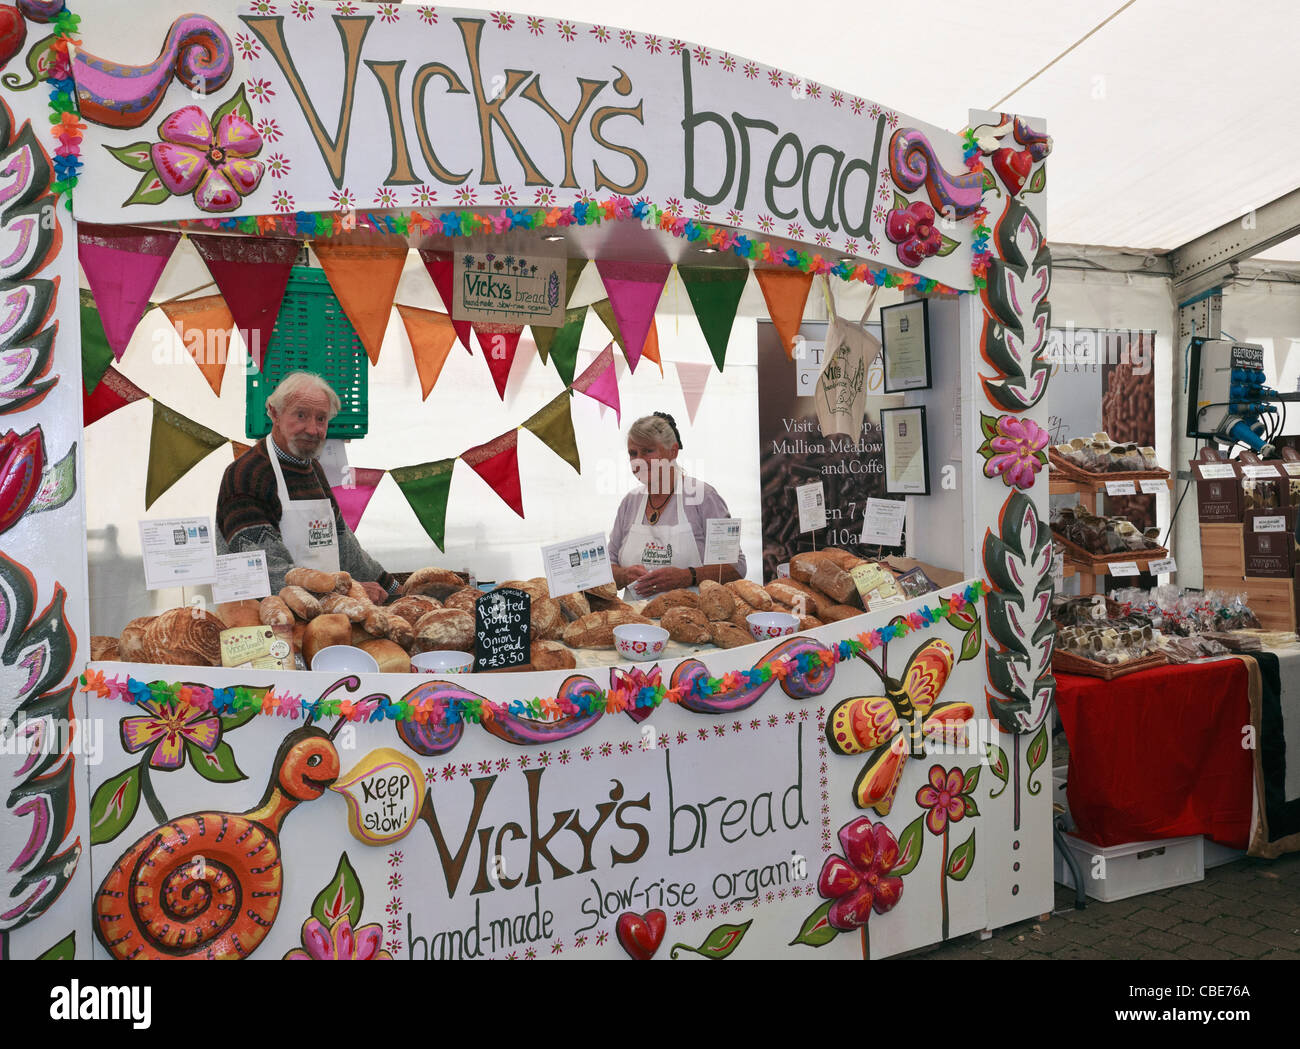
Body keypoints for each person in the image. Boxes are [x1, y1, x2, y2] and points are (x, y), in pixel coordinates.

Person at [216, 371, 399, 602]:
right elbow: (265, 572)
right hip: (267, 621)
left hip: (326, 613)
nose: (313, 430)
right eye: (301, 415)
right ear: (275, 413)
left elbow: (343, 545)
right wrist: (349, 592)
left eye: (321, 419)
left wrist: (393, 588)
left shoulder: (312, 467)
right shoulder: (248, 474)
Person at [610, 412, 746, 596]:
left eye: (648, 451)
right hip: (635, 620)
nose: (639, 460)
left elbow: (736, 567)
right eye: (633, 453)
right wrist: (623, 574)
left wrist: (688, 576)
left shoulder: (704, 497)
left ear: (673, 451)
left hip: (694, 618)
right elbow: (608, 568)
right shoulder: (630, 502)